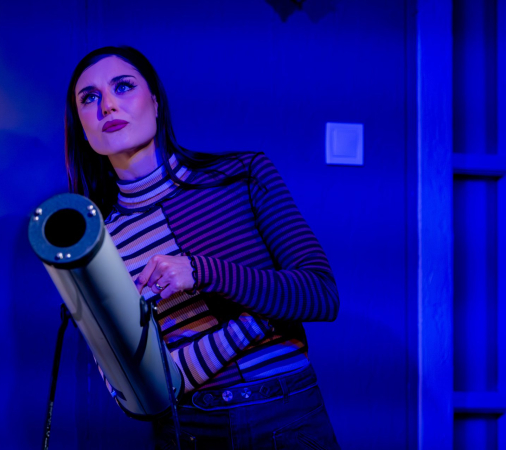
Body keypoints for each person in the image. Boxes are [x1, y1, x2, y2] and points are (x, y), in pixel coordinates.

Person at [65, 45, 341, 450]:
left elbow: (320, 294)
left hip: (285, 413)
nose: (107, 105)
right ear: (82, 127)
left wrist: (200, 271)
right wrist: (258, 322)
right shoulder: (98, 246)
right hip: (187, 432)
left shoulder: (243, 175)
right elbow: (139, 394)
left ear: (155, 101)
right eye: (89, 98)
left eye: (123, 87)